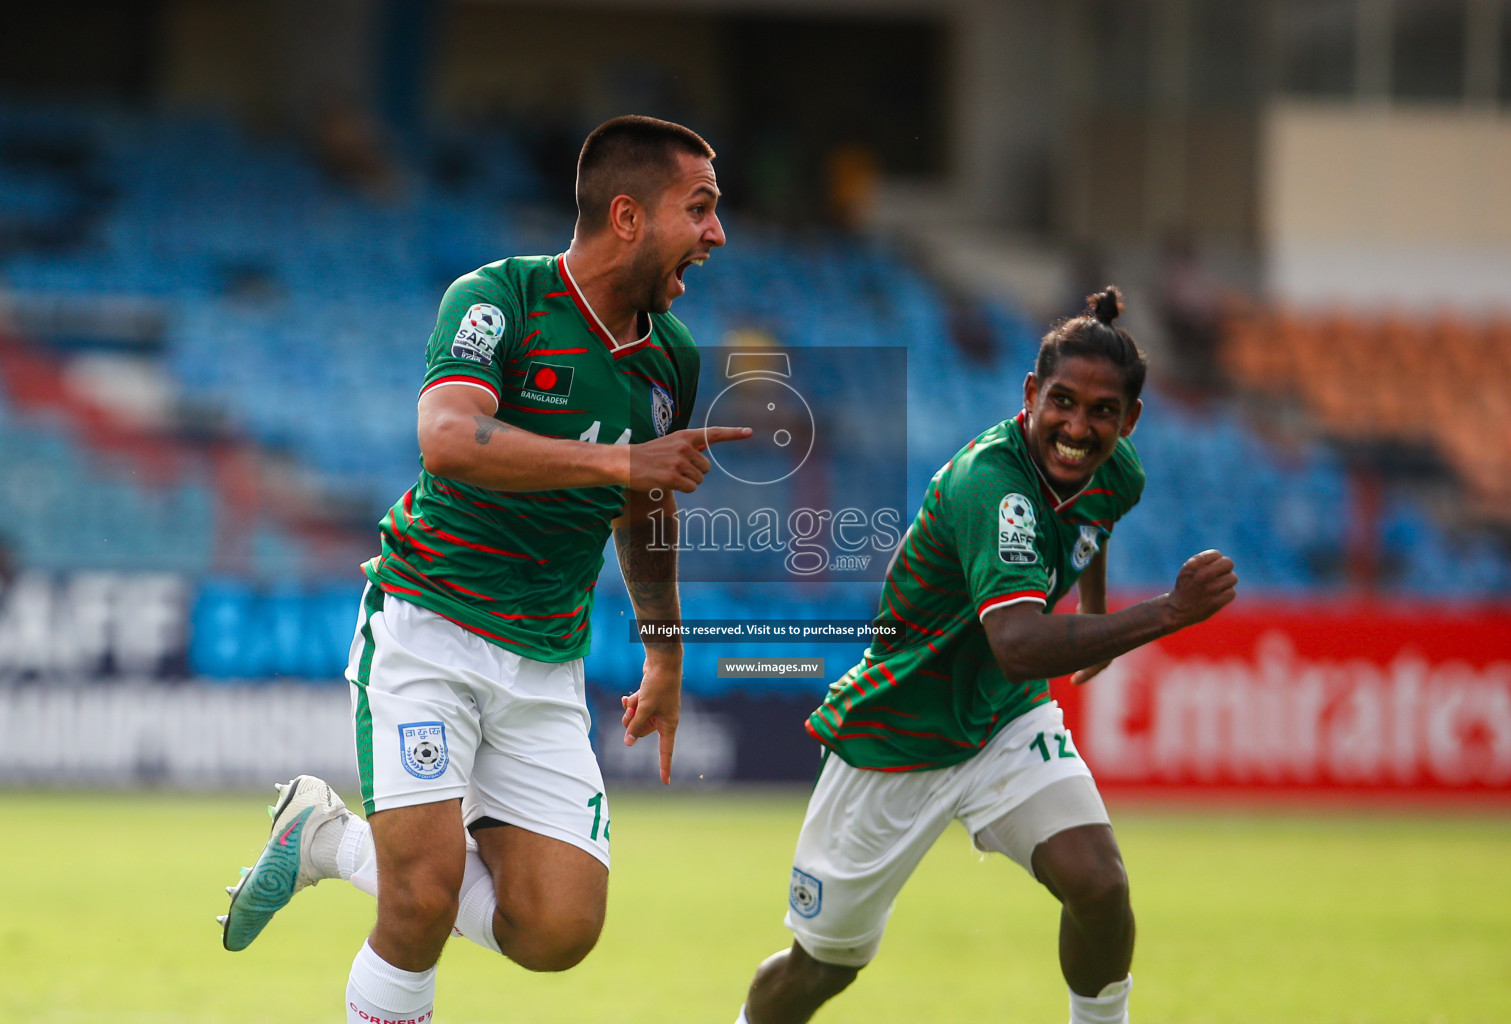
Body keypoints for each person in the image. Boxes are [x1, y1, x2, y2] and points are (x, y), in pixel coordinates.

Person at [218, 115, 750, 1024]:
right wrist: (625, 463)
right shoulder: (499, 298)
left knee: (558, 931)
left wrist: (665, 653)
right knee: (419, 901)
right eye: (699, 209)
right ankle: (362, 871)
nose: (716, 235)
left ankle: (327, 839)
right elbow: (447, 437)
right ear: (627, 215)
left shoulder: (671, 358)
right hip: (430, 627)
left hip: (544, 659)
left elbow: (646, 506)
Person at [732, 287, 1238, 1024]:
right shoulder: (992, 487)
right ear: (1030, 394)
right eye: (1061, 401)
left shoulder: (1118, 471)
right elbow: (1020, 642)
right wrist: (1167, 613)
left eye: (1102, 412)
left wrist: (1094, 609)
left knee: (1100, 886)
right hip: (897, 734)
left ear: (1129, 421)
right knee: (824, 968)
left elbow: (1093, 524)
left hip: (1002, 718)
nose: (1077, 426)